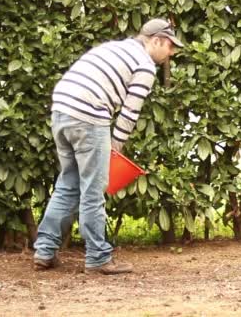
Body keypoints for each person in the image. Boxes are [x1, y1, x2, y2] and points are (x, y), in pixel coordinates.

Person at [32, 18, 184, 275]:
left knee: (68, 183)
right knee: (93, 190)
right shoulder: (145, 65)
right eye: (169, 46)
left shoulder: (113, 48)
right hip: (88, 118)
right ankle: (99, 258)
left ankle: (44, 251)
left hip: (61, 112)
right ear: (156, 40)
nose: (170, 53)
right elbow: (130, 111)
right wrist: (116, 146)